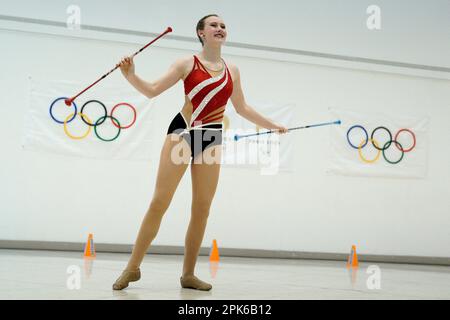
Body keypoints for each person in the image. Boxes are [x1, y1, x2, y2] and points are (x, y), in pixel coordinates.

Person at [112, 14, 288, 291]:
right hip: (183, 132)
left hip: (211, 137)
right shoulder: (186, 63)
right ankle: (132, 268)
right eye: (214, 25)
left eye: (223, 26)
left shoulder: (233, 69)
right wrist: (131, 74)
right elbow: (152, 90)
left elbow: (242, 108)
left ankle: (188, 274)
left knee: (202, 208)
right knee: (160, 202)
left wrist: (272, 125)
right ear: (201, 33)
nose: (220, 29)